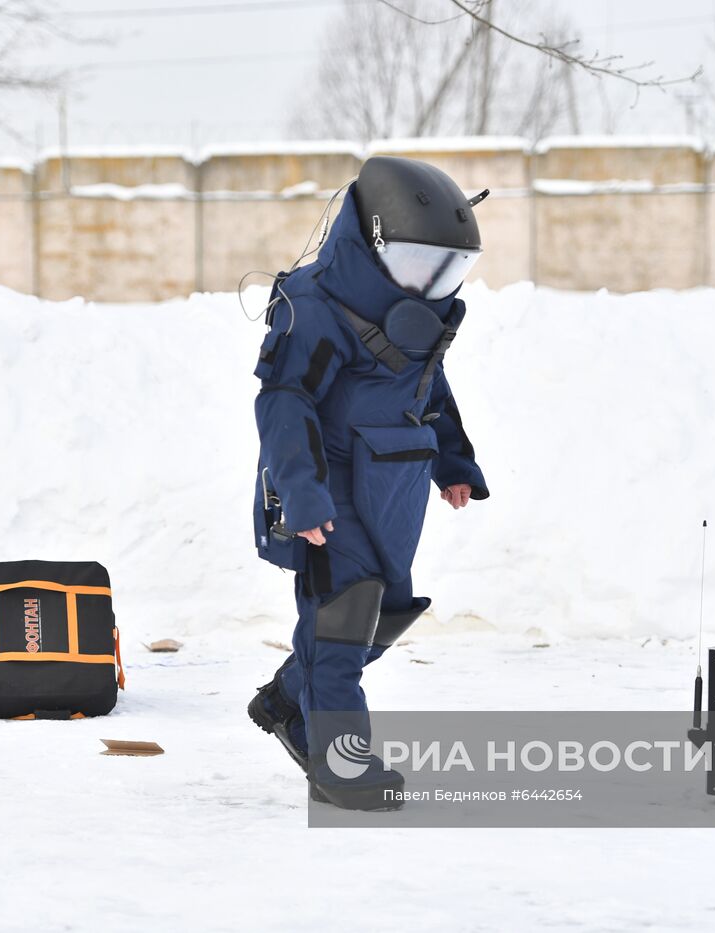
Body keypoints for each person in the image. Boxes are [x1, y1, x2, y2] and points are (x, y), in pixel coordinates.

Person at [247, 156, 489, 811]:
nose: (430, 283)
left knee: (385, 616)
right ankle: (340, 764)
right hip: (328, 488)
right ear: (373, 245)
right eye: (418, 263)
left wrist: (454, 462)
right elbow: (283, 402)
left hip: (394, 487)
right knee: (342, 617)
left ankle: (287, 698)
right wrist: (301, 493)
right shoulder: (318, 306)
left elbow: (426, 390)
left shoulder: (420, 319)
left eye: (447, 269)